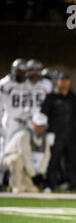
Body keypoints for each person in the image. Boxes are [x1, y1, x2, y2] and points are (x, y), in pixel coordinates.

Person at [41, 72, 76, 193]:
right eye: (62, 80)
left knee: (72, 160)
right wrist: (47, 132)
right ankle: (50, 184)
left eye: (67, 80)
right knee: (53, 160)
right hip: (55, 133)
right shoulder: (51, 97)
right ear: (58, 82)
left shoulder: (74, 98)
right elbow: (44, 115)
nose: (65, 83)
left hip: (71, 133)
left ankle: (74, 185)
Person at [2, 112, 51, 193]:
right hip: (11, 160)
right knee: (17, 160)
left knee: (33, 190)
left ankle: (14, 186)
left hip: (26, 166)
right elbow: (25, 155)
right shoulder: (24, 134)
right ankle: (15, 187)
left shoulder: (45, 138)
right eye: (38, 125)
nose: (40, 128)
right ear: (33, 124)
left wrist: (41, 173)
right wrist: (33, 175)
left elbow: (46, 156)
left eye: (42, 126)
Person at [0, 58, 29, 188]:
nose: (22, 74)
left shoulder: (25, 84)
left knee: (19, 153)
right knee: (3, 151)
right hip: (9, 122)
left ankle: (14, 182)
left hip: (23, 122)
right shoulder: (4, 84)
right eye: (20, 72)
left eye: (24, 72)